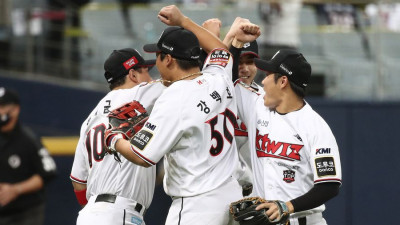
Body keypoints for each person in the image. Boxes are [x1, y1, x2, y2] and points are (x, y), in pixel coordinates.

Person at [105, 5, 260, 225]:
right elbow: (222, 52)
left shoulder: (173, 97)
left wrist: (113, 139)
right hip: (231, 196)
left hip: (197, 204)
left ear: (168, 59)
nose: (156, 64)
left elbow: (142, 156)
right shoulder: (218, 76)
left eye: (158, 57)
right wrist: (183, 20)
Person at [233, 49, 342, 225]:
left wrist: (287, 206)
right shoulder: (257, 106)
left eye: (268, 75)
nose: (263, 80)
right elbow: (225, 77)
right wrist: (235, 41)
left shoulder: (315, 127)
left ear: (283, 81)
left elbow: (329, 186)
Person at [70, 48, 165, 225]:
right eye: (146, 72)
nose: (150, 79)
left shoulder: (89, 120)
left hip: (89, 215)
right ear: (133, 75)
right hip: (120, 212)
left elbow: (78, 182)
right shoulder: (140, 94)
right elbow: (183, 80)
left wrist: (96, 211)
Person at [0, 87, 57, 225]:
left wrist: (16, 190)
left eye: (2, 106)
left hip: (25, 213)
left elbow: (47, 173)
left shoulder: (28, 140)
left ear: (15, 110)